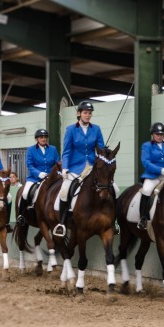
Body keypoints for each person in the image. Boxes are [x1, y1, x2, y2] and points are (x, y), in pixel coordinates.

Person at [55, 101, 105, 237]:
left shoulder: (96, 129)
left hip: (92, 167)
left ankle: (114, 221)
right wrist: (65, 168)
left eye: (89, 113)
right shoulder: (71, 129)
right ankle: (62, 223)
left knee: (114, 189)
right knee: (64, 191)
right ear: (79, 114)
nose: (88, 115)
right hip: (75, 168)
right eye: (85, 113)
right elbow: (66, 151)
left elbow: (101, 150)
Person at [138, 122, 164, 230]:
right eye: (157, 134)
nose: (160, 136)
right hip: (152, 176)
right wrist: (159, 170)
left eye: (161, 134)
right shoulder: (147, 146)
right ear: (153, 134)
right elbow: (145, 162)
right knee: (147, 190)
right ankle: (143, 218)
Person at [18, 128, 59, 226]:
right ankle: (21, 216)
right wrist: (38, 173)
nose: (44, 139)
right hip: (34, 178)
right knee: (25, 193)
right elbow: (29, 164)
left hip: (51, 178)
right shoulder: (31, 149)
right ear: (37, 139)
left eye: (45, 137)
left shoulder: (53, 149)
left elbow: (57, 163)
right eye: (41, 137)